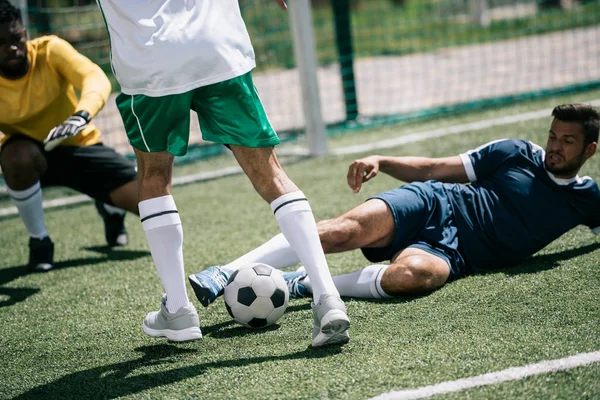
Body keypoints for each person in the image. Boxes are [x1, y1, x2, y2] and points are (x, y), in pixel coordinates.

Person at [95, 0, 349, 346]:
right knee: (272, 175)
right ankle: (327, 296)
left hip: (152, 56)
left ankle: (179, 311)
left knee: (154, 177)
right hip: (218, 45)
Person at [190, 104, 600, 300]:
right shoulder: (515, 152)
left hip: (457, 252)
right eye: (553, 136)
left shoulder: (587, 198)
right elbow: (433, 169)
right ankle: (224, 274)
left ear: (590, 150)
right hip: (435, 202)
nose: (555, 147)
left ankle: (305, 284)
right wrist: (382, 161)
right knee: (341, 231)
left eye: (568, 141)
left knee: (413, 278)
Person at [0, 1, 138, 273]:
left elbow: (94, 78)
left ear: (25, 34)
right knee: (16, 156)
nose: (12, 47)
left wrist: (81, 115)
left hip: (78, 146)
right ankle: (40, 242)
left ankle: (110, 208)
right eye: (1, 42)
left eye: (16, 38)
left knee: (152, 203)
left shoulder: (50, 50)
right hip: (30, 157)